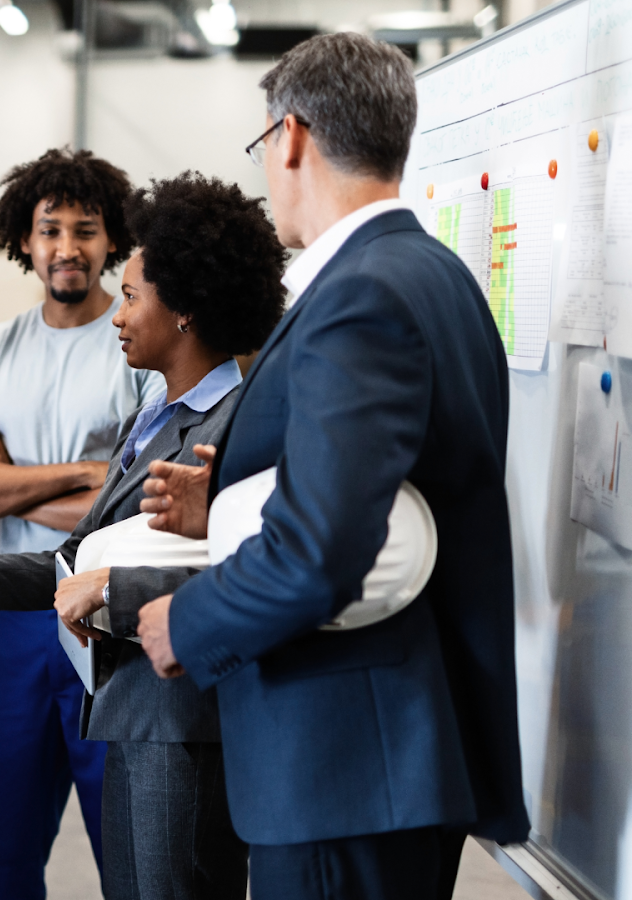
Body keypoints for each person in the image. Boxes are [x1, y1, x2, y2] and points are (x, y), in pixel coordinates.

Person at [131, 33, 528, 900]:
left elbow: (321, 552)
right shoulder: (437, 276)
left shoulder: (360, 297)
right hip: (390, 759)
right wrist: (227, 505)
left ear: (292, 137)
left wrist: (186, 624)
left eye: (262, 146)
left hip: (343, 766)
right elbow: (381, 494)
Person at [0, 172, 287, 900]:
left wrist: (107, 577)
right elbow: (73, 549)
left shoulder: (238, 426)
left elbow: (260, 570)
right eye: (49, 229)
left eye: (132, 297)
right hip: (123, 692)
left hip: (176, 707)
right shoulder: (156, 418)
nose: (117, 316)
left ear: (187, 310)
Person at [0, 147, 161, 898]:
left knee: (125, 845)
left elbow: (136, 501)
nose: (68, 247)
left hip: (108, 619)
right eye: (50, 229)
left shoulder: (139, 344)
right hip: (11, 617)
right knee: (0, 851)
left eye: (86, 230)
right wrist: (84, 476)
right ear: (23, 240)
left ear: (111, 238)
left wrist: (10, 476)